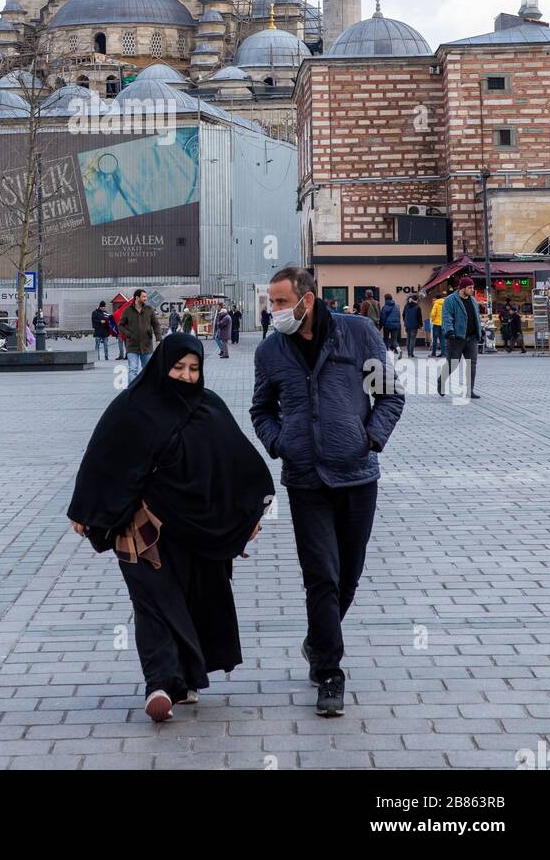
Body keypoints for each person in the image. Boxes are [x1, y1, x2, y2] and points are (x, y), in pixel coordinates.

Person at [68, 332, 274, 722]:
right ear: (163, 364)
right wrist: (87, 510)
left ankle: (185, 679)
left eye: (194, 369)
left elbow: (239, 466)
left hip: (197, 531)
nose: (185, 376)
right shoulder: (133, 407)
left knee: (194, 601)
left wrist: (248, 517)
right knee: (152, 605)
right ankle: (159, 684)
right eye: (178, 367)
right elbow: (101, 459)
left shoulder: (209, 407)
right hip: (142, 527)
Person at [251, 268, 405, 718]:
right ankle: (330, 673)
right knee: (321, 575)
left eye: (281, 302)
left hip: (358, 474)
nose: (275, 310)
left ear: (308, 300)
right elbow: (261, 409)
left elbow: (391, 395)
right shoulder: (270, 350)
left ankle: (318, 639)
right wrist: (280, 444)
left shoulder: (357, 334)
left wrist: (370, 438)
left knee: (348, 578)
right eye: (272, 303)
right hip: (305, 480)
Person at [438, 278, 482, 400]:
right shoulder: (450, 300)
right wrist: (449, 331)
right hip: (456, 338)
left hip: (471, 338)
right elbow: (446, 316)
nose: (472, 290)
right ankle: (441, 380)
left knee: (471, 364)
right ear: (462, 288)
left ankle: (470, 390)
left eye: (473, 287)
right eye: (470, 288)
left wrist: (480, 330)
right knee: (453, 364)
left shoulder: (473, 300)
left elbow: (476, 317)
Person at [119, 289, 162, 386]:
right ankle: (131, 392)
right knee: (133, 369)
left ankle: (148, 390)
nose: (145, 299)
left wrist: (159, 339)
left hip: (147, 346)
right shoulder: (127, 310)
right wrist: (129, 334)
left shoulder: (149, 309)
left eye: (146, 297)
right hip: (132, 346)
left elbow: (156, 325)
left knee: (147, 369)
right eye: (144, 297)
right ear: (137, 298)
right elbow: (120, 325)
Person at [402, 294, 423, 358]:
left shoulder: (406, 305)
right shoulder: (417, 307)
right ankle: (411, 354)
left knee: (408, 339)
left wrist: (405, 322)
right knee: (412, 339)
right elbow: (419, 317)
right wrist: (420, 325)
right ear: (416, 299)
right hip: (414, 325)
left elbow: (403, 315)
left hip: (407, 325)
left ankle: (408, 353)